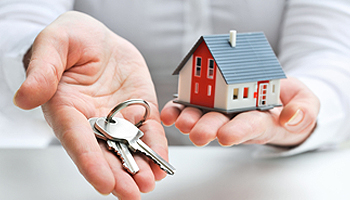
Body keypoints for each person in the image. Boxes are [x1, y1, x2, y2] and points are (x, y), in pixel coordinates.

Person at [1, 0, 350, 199]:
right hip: (66, 176)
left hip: (263, 179)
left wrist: (306, 104)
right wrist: (41, 52)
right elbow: (15, 23)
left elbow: (331, 53)